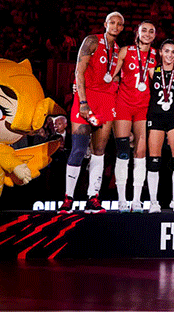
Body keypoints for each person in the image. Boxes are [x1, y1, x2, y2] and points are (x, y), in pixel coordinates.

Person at [59, 12, 124, 214]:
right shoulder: (92, 41)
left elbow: (115, 76)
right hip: (86, 97)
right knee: (78, 149)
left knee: (99, 151)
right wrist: (82, 101)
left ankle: (93, 197)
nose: (115, 26)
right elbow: (79, 71)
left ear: (122, 28)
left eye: (119, 24)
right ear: (105, 24)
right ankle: (68, 198)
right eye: (112, 22)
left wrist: (114, 85)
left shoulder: (118, 49)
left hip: (106, 101)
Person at [110, 21, 157, 212]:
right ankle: (122, 200)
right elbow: (110, 75)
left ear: (154, 35)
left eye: (151, 31)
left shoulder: (156, 55)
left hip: (143, 107)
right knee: (123, 152)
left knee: (141, 153)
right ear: (137, 32)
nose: (147, 34)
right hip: (123, 104)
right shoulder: (125, 51)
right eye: (144, 30)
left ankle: (136, 200)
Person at [145, 40, 174, 213]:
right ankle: (154, 202)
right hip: (156, 118)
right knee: (154, 161)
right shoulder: (151, 71)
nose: (170, 55)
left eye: (173, 52)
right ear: (161, 53)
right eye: (166, 51)